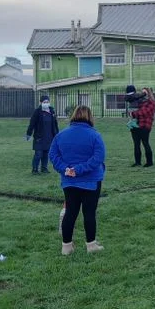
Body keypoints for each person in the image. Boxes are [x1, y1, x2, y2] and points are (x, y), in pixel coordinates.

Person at [49, 105, 106, 255]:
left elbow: (53, 156)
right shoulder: (95, 136)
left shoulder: (60, 135)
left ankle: (66, 247)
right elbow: (98, 157)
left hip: (69, 181)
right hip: (91, 180)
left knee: (70, 212)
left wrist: (65, 168)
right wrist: (79, 169)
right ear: (90, 117)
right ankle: (91, 245)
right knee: (89, 213)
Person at [26, 95, 59, 174]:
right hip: (39, 137)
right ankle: (35, 169)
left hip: (49, 136)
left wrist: (57, 134)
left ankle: (44, 168)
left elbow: (55, 124)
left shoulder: (52, 111)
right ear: (40, 103)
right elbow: (32, 124)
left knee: (46, 153)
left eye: (47, 102)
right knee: (38, 154)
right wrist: (29, 134)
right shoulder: (37, 112)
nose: (46, 103)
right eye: (44, 102)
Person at [129, 87, 155, 168]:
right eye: (142, 92)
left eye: (145, 92)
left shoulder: (151, 103)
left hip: (145, 126)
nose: (143, 94)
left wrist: (133, 114)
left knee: (145, 143)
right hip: (135, 125)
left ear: (149, 93)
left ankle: (149, 162)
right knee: (136, 144)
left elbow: (144, 112)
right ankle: (137, 162)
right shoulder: (138, 102)